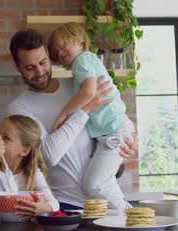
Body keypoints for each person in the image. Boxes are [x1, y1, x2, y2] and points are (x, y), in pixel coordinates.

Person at [8, 28, 137, 211]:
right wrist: (84, 109)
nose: (39, 72)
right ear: (17, 66)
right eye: (29, 67)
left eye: (43, 62)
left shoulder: (78, 85)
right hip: (68, 206)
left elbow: (110, 116)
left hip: (104, 201)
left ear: (49, 56)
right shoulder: (19, 108)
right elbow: (49, 156)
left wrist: (128, 142)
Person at [46, 23, 136, 211]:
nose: (61, 53)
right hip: (114, 131)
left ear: (80, 41)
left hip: (115, 131)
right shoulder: (86, 62)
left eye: (63, 45)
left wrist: (65, 113)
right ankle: (130, 214)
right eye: (56, 52)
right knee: (102, 182)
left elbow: (89, 93)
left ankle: (130, 214)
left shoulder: (82, 60)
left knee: (92, 185)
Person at [0, 115, 59, 218]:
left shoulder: (33, 174)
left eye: (6, 138)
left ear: (24, 151)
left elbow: (55, 204)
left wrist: (44, 208)